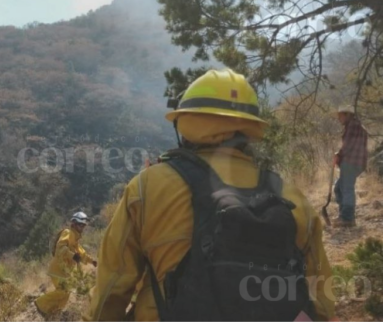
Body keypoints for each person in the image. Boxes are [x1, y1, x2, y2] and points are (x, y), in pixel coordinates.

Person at [85, 69, 336, 321]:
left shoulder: (148, 186)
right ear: (251, 129)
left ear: (185, 123)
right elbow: (321, 301)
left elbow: (112, 287)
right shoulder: (292, 198)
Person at [35, 211, 97, 316]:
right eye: (80, 225)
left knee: (66, 293)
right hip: (58, 269)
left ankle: (54, 312)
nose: (82, 227)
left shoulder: (75, 240)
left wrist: (92, 261)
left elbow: (82, 254)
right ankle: (40, 304)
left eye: (83, 225)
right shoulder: (68, 233)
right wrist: (72, 255)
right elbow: (60, 248)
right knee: (63, 291)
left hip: (64, 272)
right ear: (74, 224)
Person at [333, 105, 368, 228]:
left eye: (340, 115)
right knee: (338, 187)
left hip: (351, 162)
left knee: (346, 188)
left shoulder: (353, 125)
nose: (339, 118)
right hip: (355, 162)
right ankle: (344, 215)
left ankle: (347, 218)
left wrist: (339, 154)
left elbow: (348, 146)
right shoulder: (357, 126)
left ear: (347, 114)